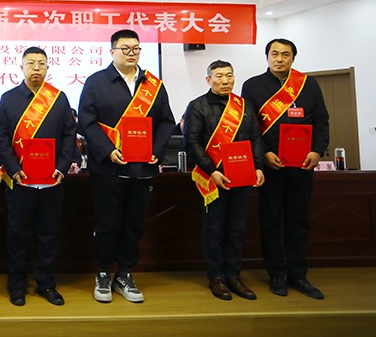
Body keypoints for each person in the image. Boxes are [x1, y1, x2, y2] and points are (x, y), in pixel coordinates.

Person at [78, 29, 174, 303]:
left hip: (142, 168)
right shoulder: (96, 82)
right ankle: (103, 273)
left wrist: (156, 151)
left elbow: (166, 121)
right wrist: (108, 150)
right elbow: (86, 121)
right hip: (108, 168)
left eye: (136, 48)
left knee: (135, 224)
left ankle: (125, 274)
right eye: (125, 48)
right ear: (112, 51)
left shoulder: (153, 85)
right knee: (108, 223)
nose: (131, 53)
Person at [241, 38, 329, 300]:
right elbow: (249, 127)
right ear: (267, 56)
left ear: (293, 58)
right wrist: (264, 154)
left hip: (302, 166)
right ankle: (276, 275)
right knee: (269, 222)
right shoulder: (253, 86)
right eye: (275, 54)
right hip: (271, 167)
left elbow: (321, 121)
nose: (279, 59)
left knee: (298, 221)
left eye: (285, 54)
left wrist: (317, 150)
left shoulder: (308, 85)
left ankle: (298, 275)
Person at [0, 46, 78, 307]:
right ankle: (16, 284)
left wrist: (61, 167)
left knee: (48, 234)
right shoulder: (9, 98)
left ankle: (46, 283)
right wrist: (13, 168)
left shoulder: (59, 98)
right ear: (21, 67)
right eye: (31, 63)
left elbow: (69, 136)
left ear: (47, 68)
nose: (36, 68)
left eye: (41, 63)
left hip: (52, 180)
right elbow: (1, 138)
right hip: (20, 180)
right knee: (17, 234)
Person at [184, 60, 265, 301]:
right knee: (215, 229)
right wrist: (212, 171)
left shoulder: (244, 105)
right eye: (219, 76)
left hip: (241, 176)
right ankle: (216, 277)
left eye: (229, 75)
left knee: (236, 229)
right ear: (208, 80)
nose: (225, 81)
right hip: (213, 178)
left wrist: (258, 166)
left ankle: (234, 275)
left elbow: (256, 138)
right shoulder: (197, 106)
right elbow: (192, 142)